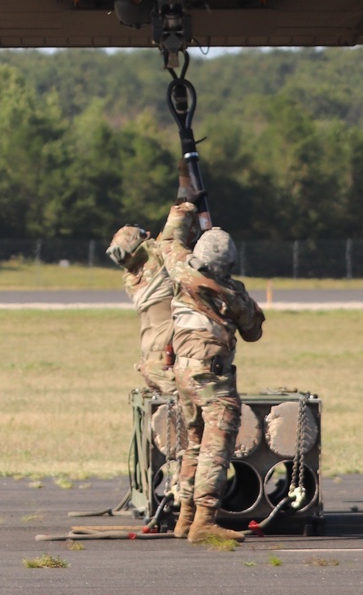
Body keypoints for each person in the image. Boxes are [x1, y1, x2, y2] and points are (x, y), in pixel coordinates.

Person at [158, 202, 265, 543]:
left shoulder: (180, 272)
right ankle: (204, 520)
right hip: (212, 377)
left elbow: (167, 243)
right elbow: (253, 331)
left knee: (194, 443)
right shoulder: (232, 295)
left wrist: (183, 209)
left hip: (182, 374)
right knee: (215, 446)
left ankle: (185, 518)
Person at [106, 223, 179, 395]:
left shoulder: (131, 278)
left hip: (149, 361)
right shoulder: (158, 259)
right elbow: (174, 228)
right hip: (168, 361)